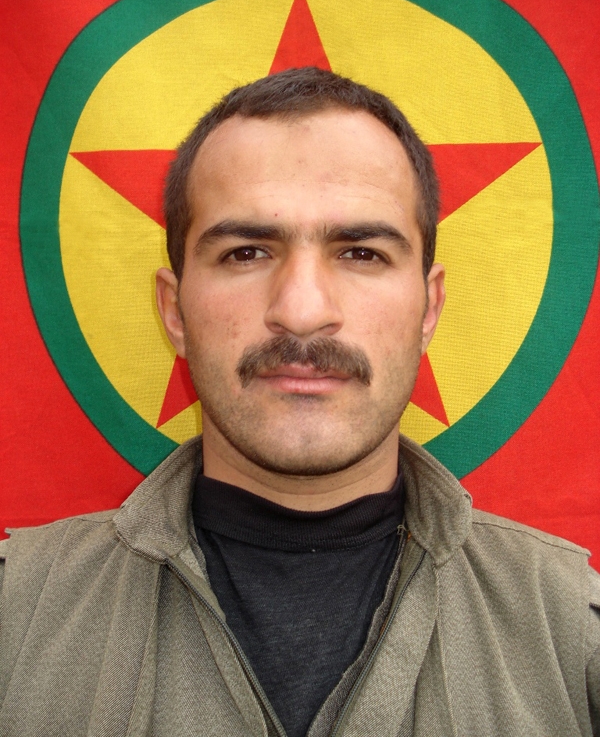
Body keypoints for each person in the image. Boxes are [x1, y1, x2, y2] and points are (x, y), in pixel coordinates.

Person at [0, 67, 598, 737]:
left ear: (429, 308)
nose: (303, 311)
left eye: (362, 253)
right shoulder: (15, 620)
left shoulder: (572, 636)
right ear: (174, 310)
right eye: (246, 252)